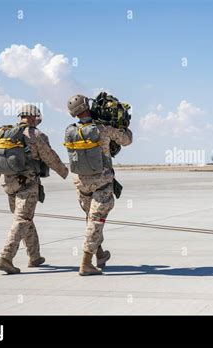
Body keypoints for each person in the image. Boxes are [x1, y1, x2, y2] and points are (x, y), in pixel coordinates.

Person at [0, 104, 69, 274]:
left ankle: (34, 256)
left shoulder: (6, 134)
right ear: (32, 117)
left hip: (10, 185)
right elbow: (49, 156)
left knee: (25, 219)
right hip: (28, 185)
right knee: (22, 220)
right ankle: (6, 257)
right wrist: (65, 172)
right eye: (37, 117)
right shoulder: (35, 135)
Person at [64, 94, 133, 276]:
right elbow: (127, 140)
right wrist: (124, 125)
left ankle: (100, 255)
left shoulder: (70, 131)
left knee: (90, 220)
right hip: (101, 182)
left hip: (81, 183)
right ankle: (86, 263)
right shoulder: (102, 129)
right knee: (96, 220)